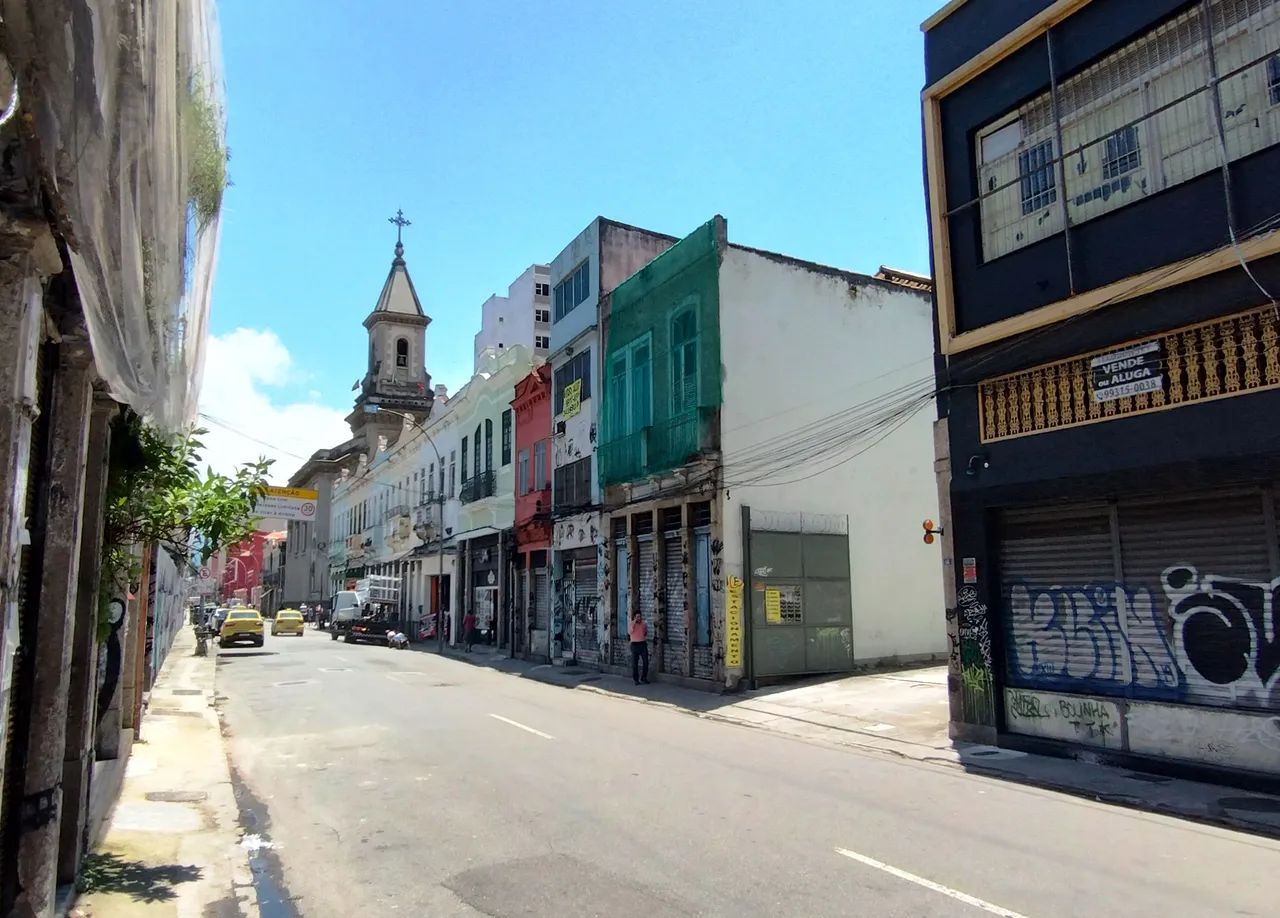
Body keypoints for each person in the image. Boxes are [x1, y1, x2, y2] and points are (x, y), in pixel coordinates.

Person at [629, 611, 650, 685]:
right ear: (634, 617)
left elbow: (645, 633)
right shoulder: (632, 624)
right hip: (634, 644)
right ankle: (636, 679)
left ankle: (644, 677)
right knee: (635, 663)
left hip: (642, 644)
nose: (639, 618)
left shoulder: (643, 624)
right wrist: (634, 623)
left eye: (640, 616)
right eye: (637, 617)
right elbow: (630, 632)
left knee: (646, 662)